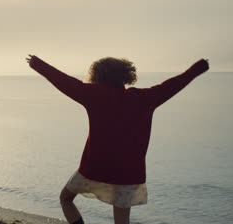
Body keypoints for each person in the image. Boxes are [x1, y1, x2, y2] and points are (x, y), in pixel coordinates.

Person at [26, 55, 209, 224]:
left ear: (97, 76)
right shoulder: (144, 98)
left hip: (94, 168)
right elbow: (172, 85)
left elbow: (65, 82)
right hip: (128, 173)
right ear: (125, 75)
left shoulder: (95, 95)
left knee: (65, 199)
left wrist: (37, 64)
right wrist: (197, 69)